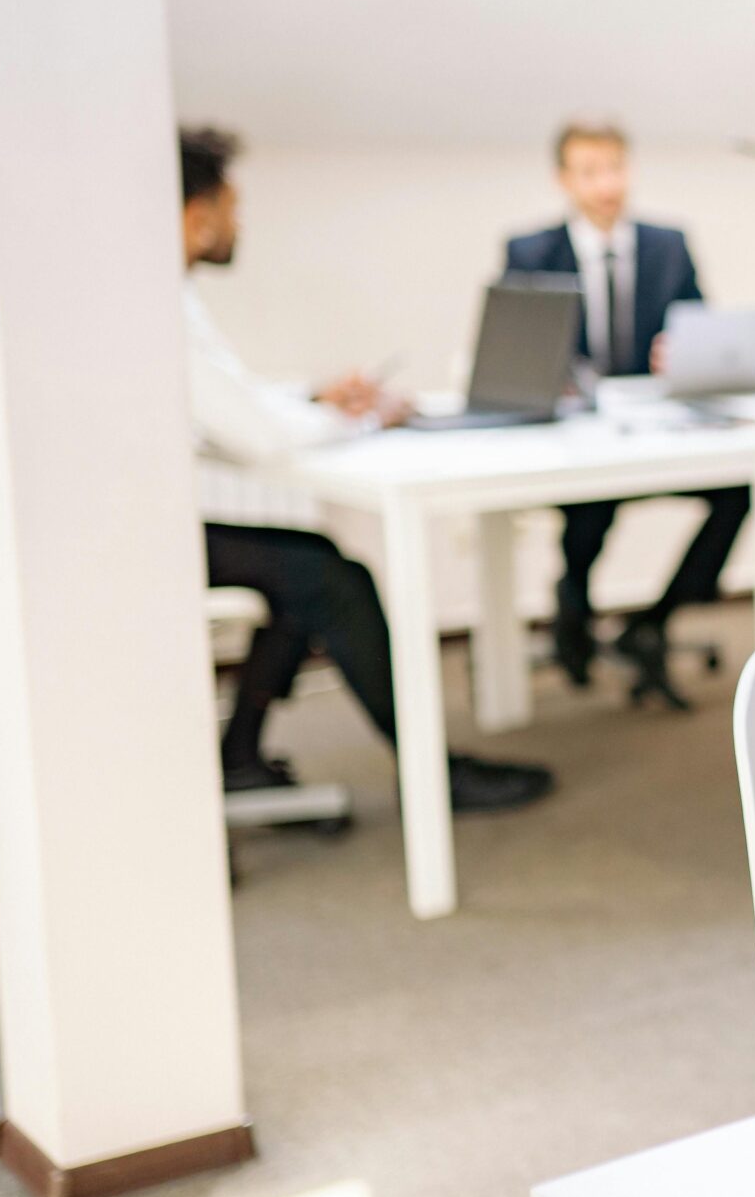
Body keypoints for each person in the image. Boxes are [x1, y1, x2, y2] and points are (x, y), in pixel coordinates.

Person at [180, 126, 555, 813]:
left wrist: (313, 396)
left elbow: (227, 401)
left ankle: (239, 757)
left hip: (152, 521)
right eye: (232, 207)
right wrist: (361, 418)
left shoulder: (169, 296)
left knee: (308, 572)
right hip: (152, 537)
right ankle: (432, 775)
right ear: (194, 216)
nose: (239, 223)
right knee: (331, 579)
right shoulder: (161, 305)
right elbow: (254, 436)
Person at [504, 120, 750, 708]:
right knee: (590, 508)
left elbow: (697, 336)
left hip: (653, 429)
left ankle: (653, 624)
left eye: (614, 167)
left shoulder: (667, 245)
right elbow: (519, 351)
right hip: (576, 434)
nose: (606, 183)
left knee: (737, 494)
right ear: (565, 180)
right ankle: (573, 602)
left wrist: (681, 356)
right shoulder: (531, 251)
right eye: (589, 171)